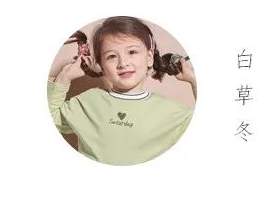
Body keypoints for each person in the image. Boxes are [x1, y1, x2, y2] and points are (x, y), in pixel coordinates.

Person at [47, 16, 195, 164]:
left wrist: (194, 80)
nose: (123, 63)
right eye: (111, 56)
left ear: (149, 57)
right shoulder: (87, 101)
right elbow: (52, 119)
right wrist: (64, 77)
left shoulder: (169, 111)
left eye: (132, 52)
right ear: (101, 65)